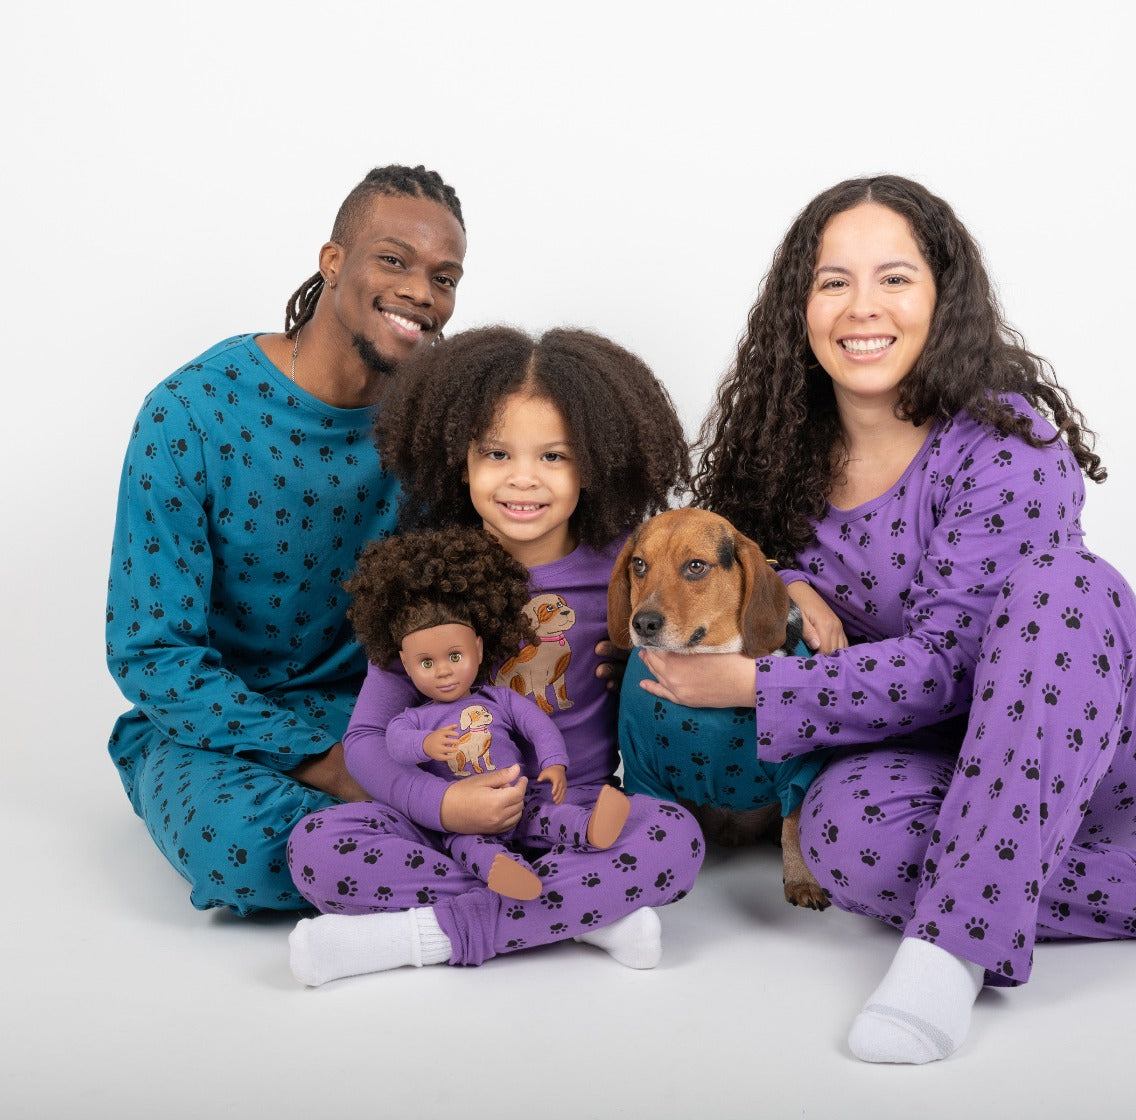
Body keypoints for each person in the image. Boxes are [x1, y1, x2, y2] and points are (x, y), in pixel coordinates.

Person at [641, 174, 1136, 1063]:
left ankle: (948, 951)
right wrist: (788, 580)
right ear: (800, 307)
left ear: (942, 297)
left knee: (1060, 585)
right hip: (930, 775)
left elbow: (947, 666)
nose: (862, 306)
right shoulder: (776, 463)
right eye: (833, 281)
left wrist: (760, 685)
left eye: (894, 278)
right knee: (843, 834)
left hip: (1091, 758)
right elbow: (726, 587)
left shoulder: (1007, 443)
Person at [286, 326, 705, 985]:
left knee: (675, 838)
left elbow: (712, 595)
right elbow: (366, 739)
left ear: (593, 465)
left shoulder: (629, 566)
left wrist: (788, 587)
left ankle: (421, 937)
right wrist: (444, 805)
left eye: (554, 456)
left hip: (574, 815)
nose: (522, 479)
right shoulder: (427, 580)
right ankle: (582, 913)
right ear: (461, 460)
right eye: (497, 453)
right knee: (316, 850)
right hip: (443, 820)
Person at [106, 165, 468, 914]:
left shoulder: (434, 424)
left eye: (444, 277)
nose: (421, 293)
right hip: (212, 728)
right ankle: (490, 876)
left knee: (519, 777)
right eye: (394, 260)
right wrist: (334, 769)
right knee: (244, 845)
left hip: (381, 711)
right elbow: (152, 652)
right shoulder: (188, 413)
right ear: (333, 261)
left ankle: (430, 880)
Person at [343, 525, 634, 901]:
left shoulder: (499, 698)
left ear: (478, 649)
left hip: (540, 798)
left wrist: (554, 761)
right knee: (319, 847)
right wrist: (444, 800)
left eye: (455, 656)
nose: (443, 672)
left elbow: (537, 724)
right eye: (427, 663)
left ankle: (570, 850)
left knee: (668, 835)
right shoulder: (414, 710)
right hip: (451, 822)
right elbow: (381, 741)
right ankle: (563, 898)